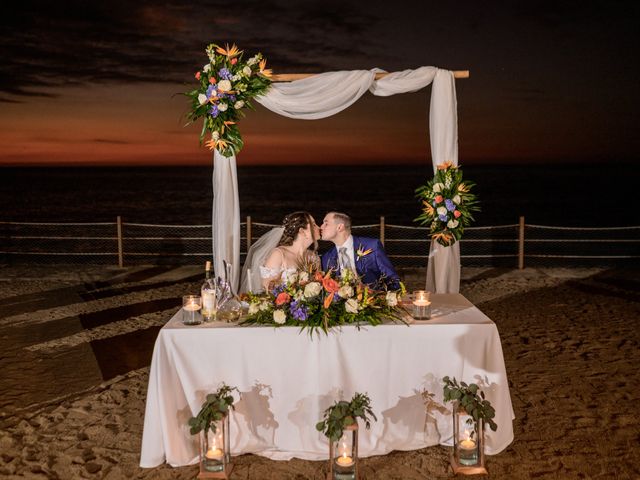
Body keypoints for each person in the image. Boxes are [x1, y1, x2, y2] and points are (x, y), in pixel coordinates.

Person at [239, 211, 320, 293]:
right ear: (302, 231)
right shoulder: (279, 254)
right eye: (314, 225)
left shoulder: (314, 257)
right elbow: (267, 291)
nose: (319, 227)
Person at [320, 211, 400, 290]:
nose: (321, 227)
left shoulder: (372, 246)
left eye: (326, 224)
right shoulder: (326, 257)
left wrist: (373, 293)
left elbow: (393, 281)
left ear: (340, 227)